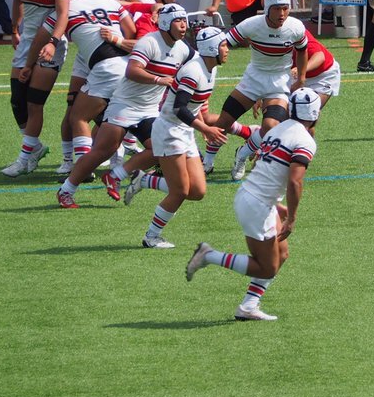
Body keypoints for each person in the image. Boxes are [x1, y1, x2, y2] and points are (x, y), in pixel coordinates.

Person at [185, 87, 320, 322]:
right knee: (266, 267)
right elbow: (295, 181)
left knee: (282, 253)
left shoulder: (277, 130)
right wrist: (292, 217)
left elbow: (263, 167)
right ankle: (209, 255)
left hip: (253, 197)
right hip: (257, 205)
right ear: (315, 114)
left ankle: (248, 306)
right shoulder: (305, 140)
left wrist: (275, 205)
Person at [60, 3, 191, 211]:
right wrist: (159, 79)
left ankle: (115, 176)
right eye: (178, 21)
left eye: (185, 20)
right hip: (124, 104)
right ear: (166, 23)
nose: (184, 25)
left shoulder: (183, 49)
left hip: (149, 109)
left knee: (161, 148)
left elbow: (195, 66)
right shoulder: (149, 42)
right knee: (103, 151)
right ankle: (66, 190)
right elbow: (132, 71)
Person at [123, 27, 230, 247]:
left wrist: (200, 125)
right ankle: (151, 237)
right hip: (169, 131)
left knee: (197, 191)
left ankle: (144, 180)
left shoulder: (211, 68)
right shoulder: (193, 71)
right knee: (180, 191)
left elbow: (193, 105)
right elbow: (179, 108)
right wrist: (205, 129)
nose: (227, 49)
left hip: (185, 131)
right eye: (223, 45)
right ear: (212, 48)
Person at [200, 0, 308, 175]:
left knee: (270, 127)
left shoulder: (296, 27)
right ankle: (208, 162)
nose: (282, 13)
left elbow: (302, 50)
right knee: (224, 120)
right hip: (253, 79)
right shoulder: (251, 25)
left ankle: (242, 154)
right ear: (267, 9)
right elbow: (223, 43)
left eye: (285, 8)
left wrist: (302, 77)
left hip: (279, 83)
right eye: (277, 8)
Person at [55, 0, 138, 176]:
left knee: (88, 114)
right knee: (74, 107)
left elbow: (136, 4)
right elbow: (132, 26)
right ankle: (70, 160)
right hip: (91, 57)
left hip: (107, 56)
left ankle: (92, 162)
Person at [1, 0, 72, 176]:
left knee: (34, 103)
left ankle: (24, 159)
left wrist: (53, 43)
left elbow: (63, 15)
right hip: (27, 42)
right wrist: (14, 29)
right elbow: (18, 0)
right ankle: (36, 148)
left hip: (51, 44)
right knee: (17, 101)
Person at [229, 27, 340, 182]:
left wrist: (301, 70)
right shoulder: (265, 45)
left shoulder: (294, 31)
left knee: (306, 119)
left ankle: (291, 158)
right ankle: (245, 152)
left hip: (323, 76)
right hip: (292, 77)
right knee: (274, 123)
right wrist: (259, 95)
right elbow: (264, 72)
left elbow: (319, 56)